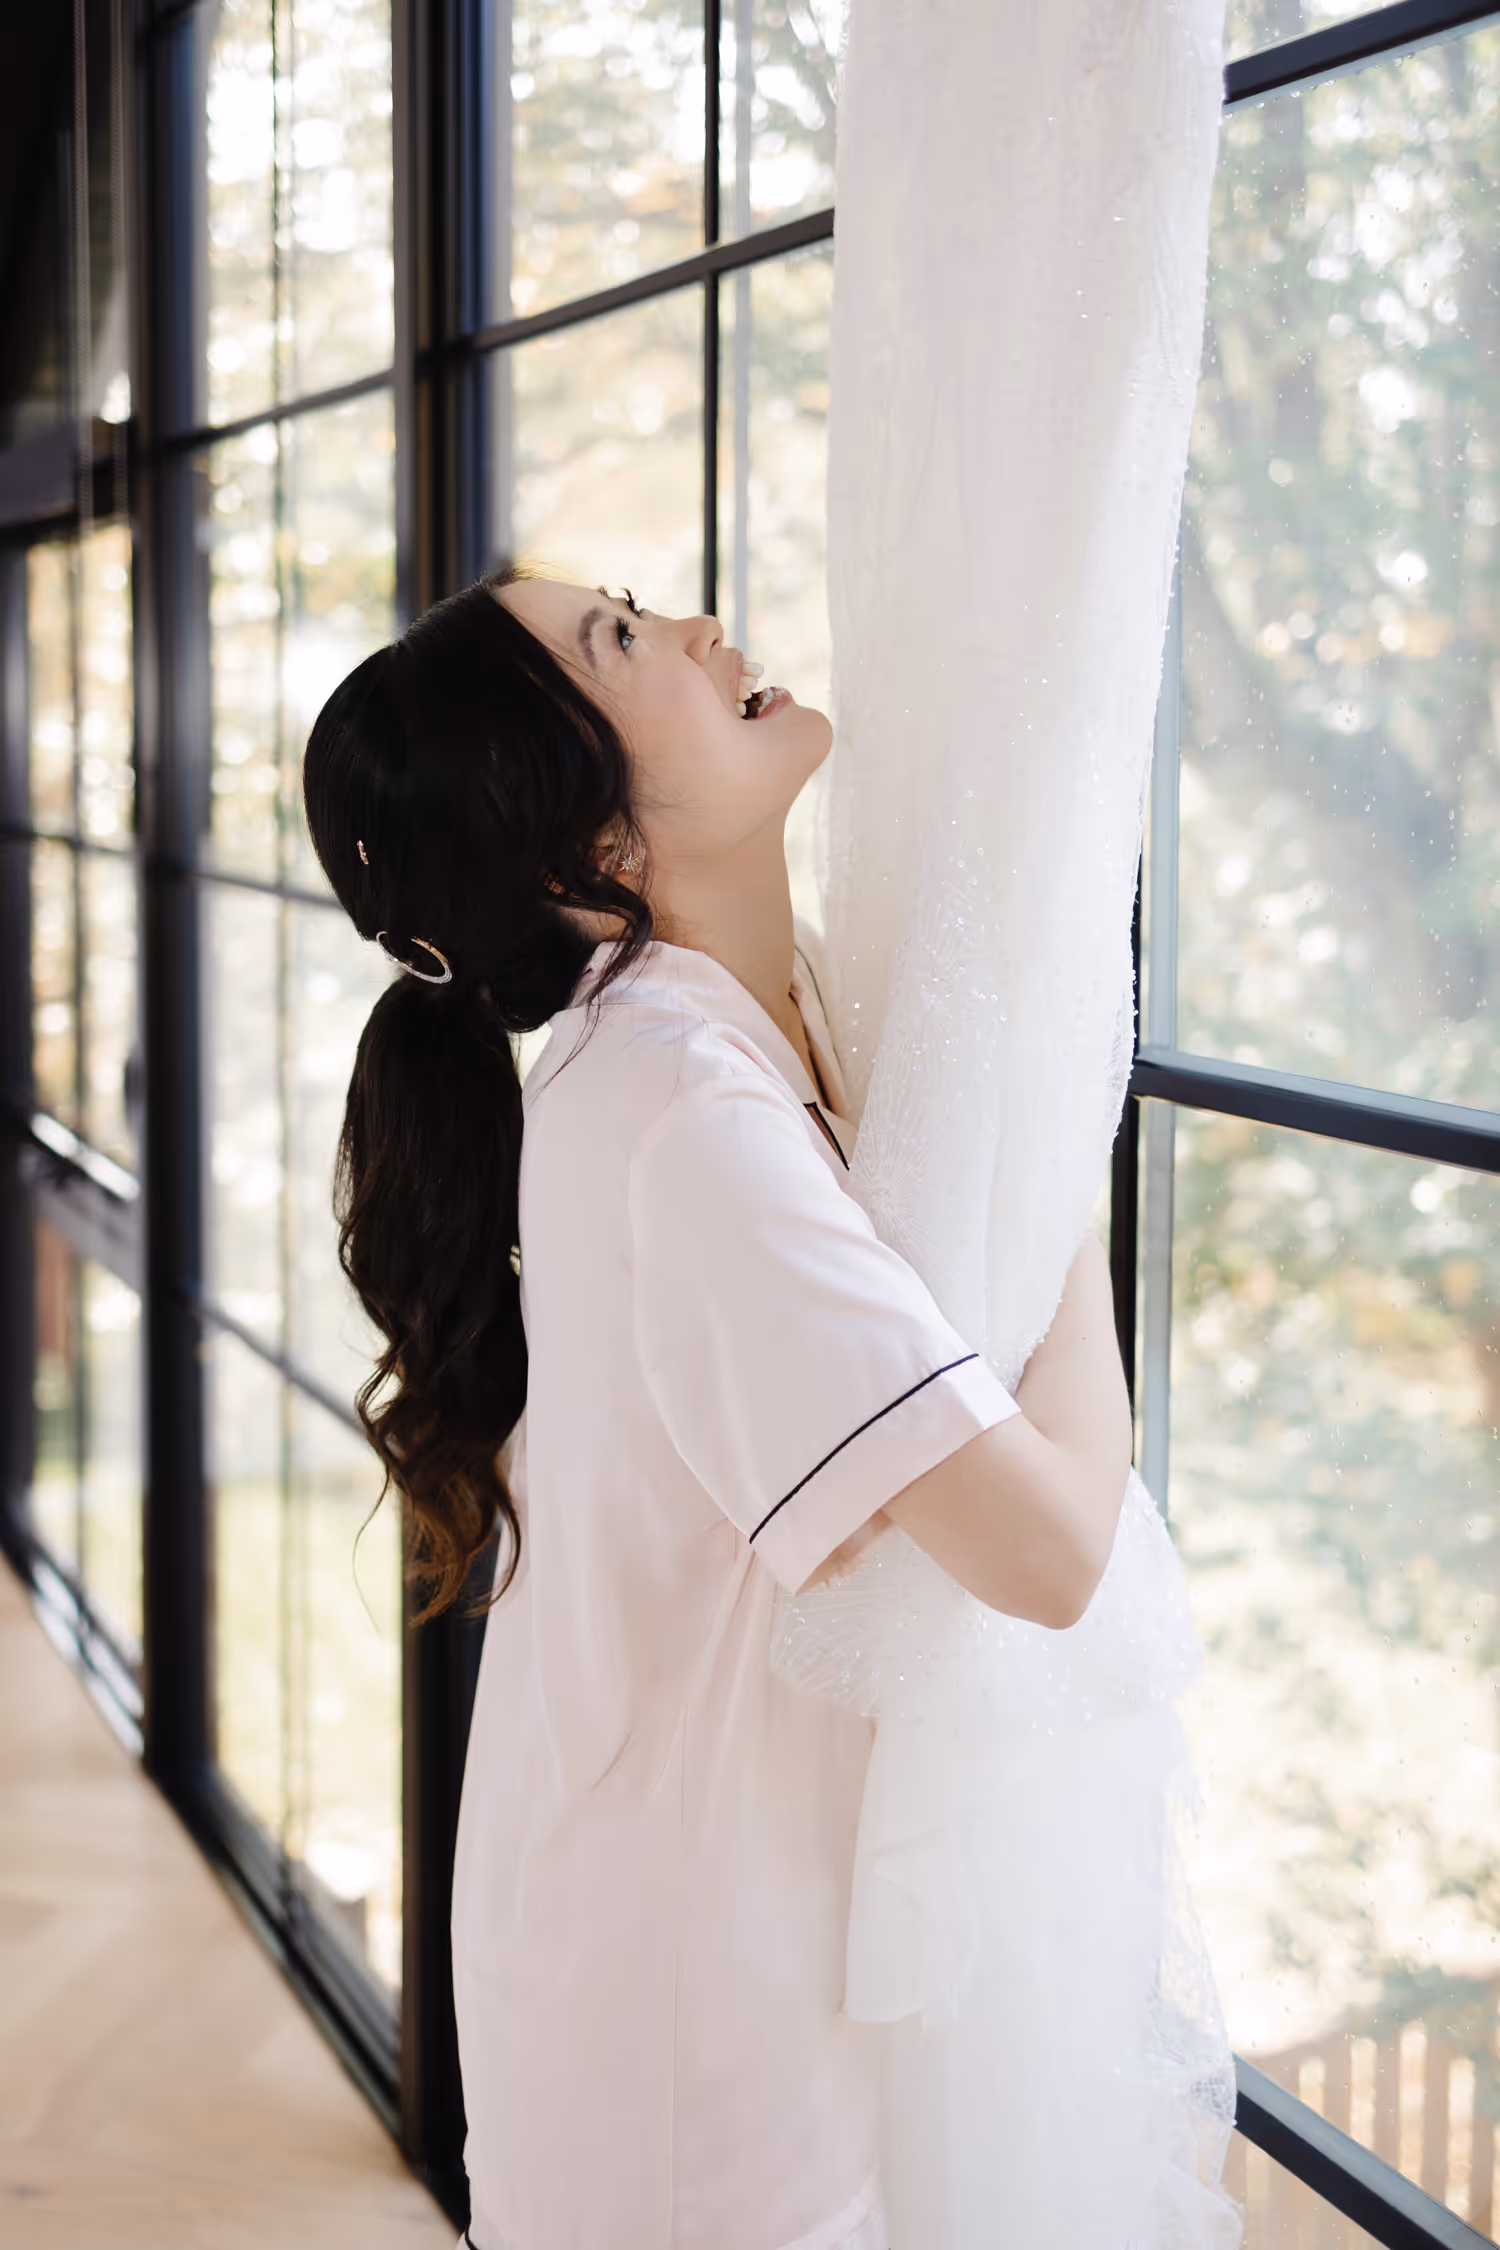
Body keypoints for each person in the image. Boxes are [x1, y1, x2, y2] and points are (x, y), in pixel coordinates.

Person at [301, 563, 1134, 2250]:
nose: (694, 624)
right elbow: (1049, 1554)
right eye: (622, 642)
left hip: (704, 1914)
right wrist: (1063, 1200)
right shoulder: (682, 1117)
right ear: (595, 853)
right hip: (677, 2007)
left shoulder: (777, 1007)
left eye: (632, 603)